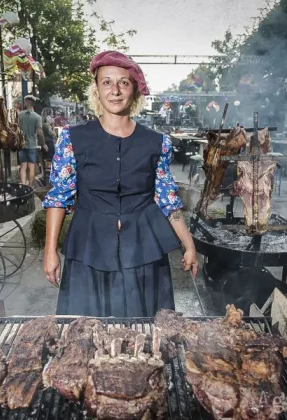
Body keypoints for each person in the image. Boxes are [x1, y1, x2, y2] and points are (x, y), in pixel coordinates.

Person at [42, 50, 198, 317]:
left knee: (144, 333)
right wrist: (50, 250)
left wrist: (189, 244)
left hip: (142, 250)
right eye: (106, 82)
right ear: (97, 90)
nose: (115, 90)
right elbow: (58, 197)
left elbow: (166, 198)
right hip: (89, 248)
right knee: (87, 336)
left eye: (123, 82)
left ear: (134, 91)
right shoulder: (72, 138)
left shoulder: (157, 142)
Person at [18, 95, 45, 187]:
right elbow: (39, 132)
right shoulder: (37, 117)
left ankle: (23, 185)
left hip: (21, 144)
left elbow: (16, 128)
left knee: (23, 166)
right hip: (32, 145)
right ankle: (30, 187)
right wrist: (43, 143)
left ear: (26, 102)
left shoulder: (20, 115)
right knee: (31, 166)